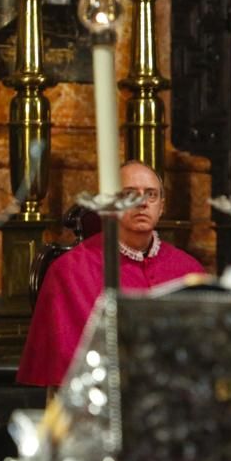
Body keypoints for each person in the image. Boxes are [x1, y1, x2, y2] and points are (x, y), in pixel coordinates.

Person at [17, 160, 205, 387]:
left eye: (151, 195)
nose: (143, 203)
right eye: (129, 194)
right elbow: (66, 369)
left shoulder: (188, 270)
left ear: (162, 206)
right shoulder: (70, 271)